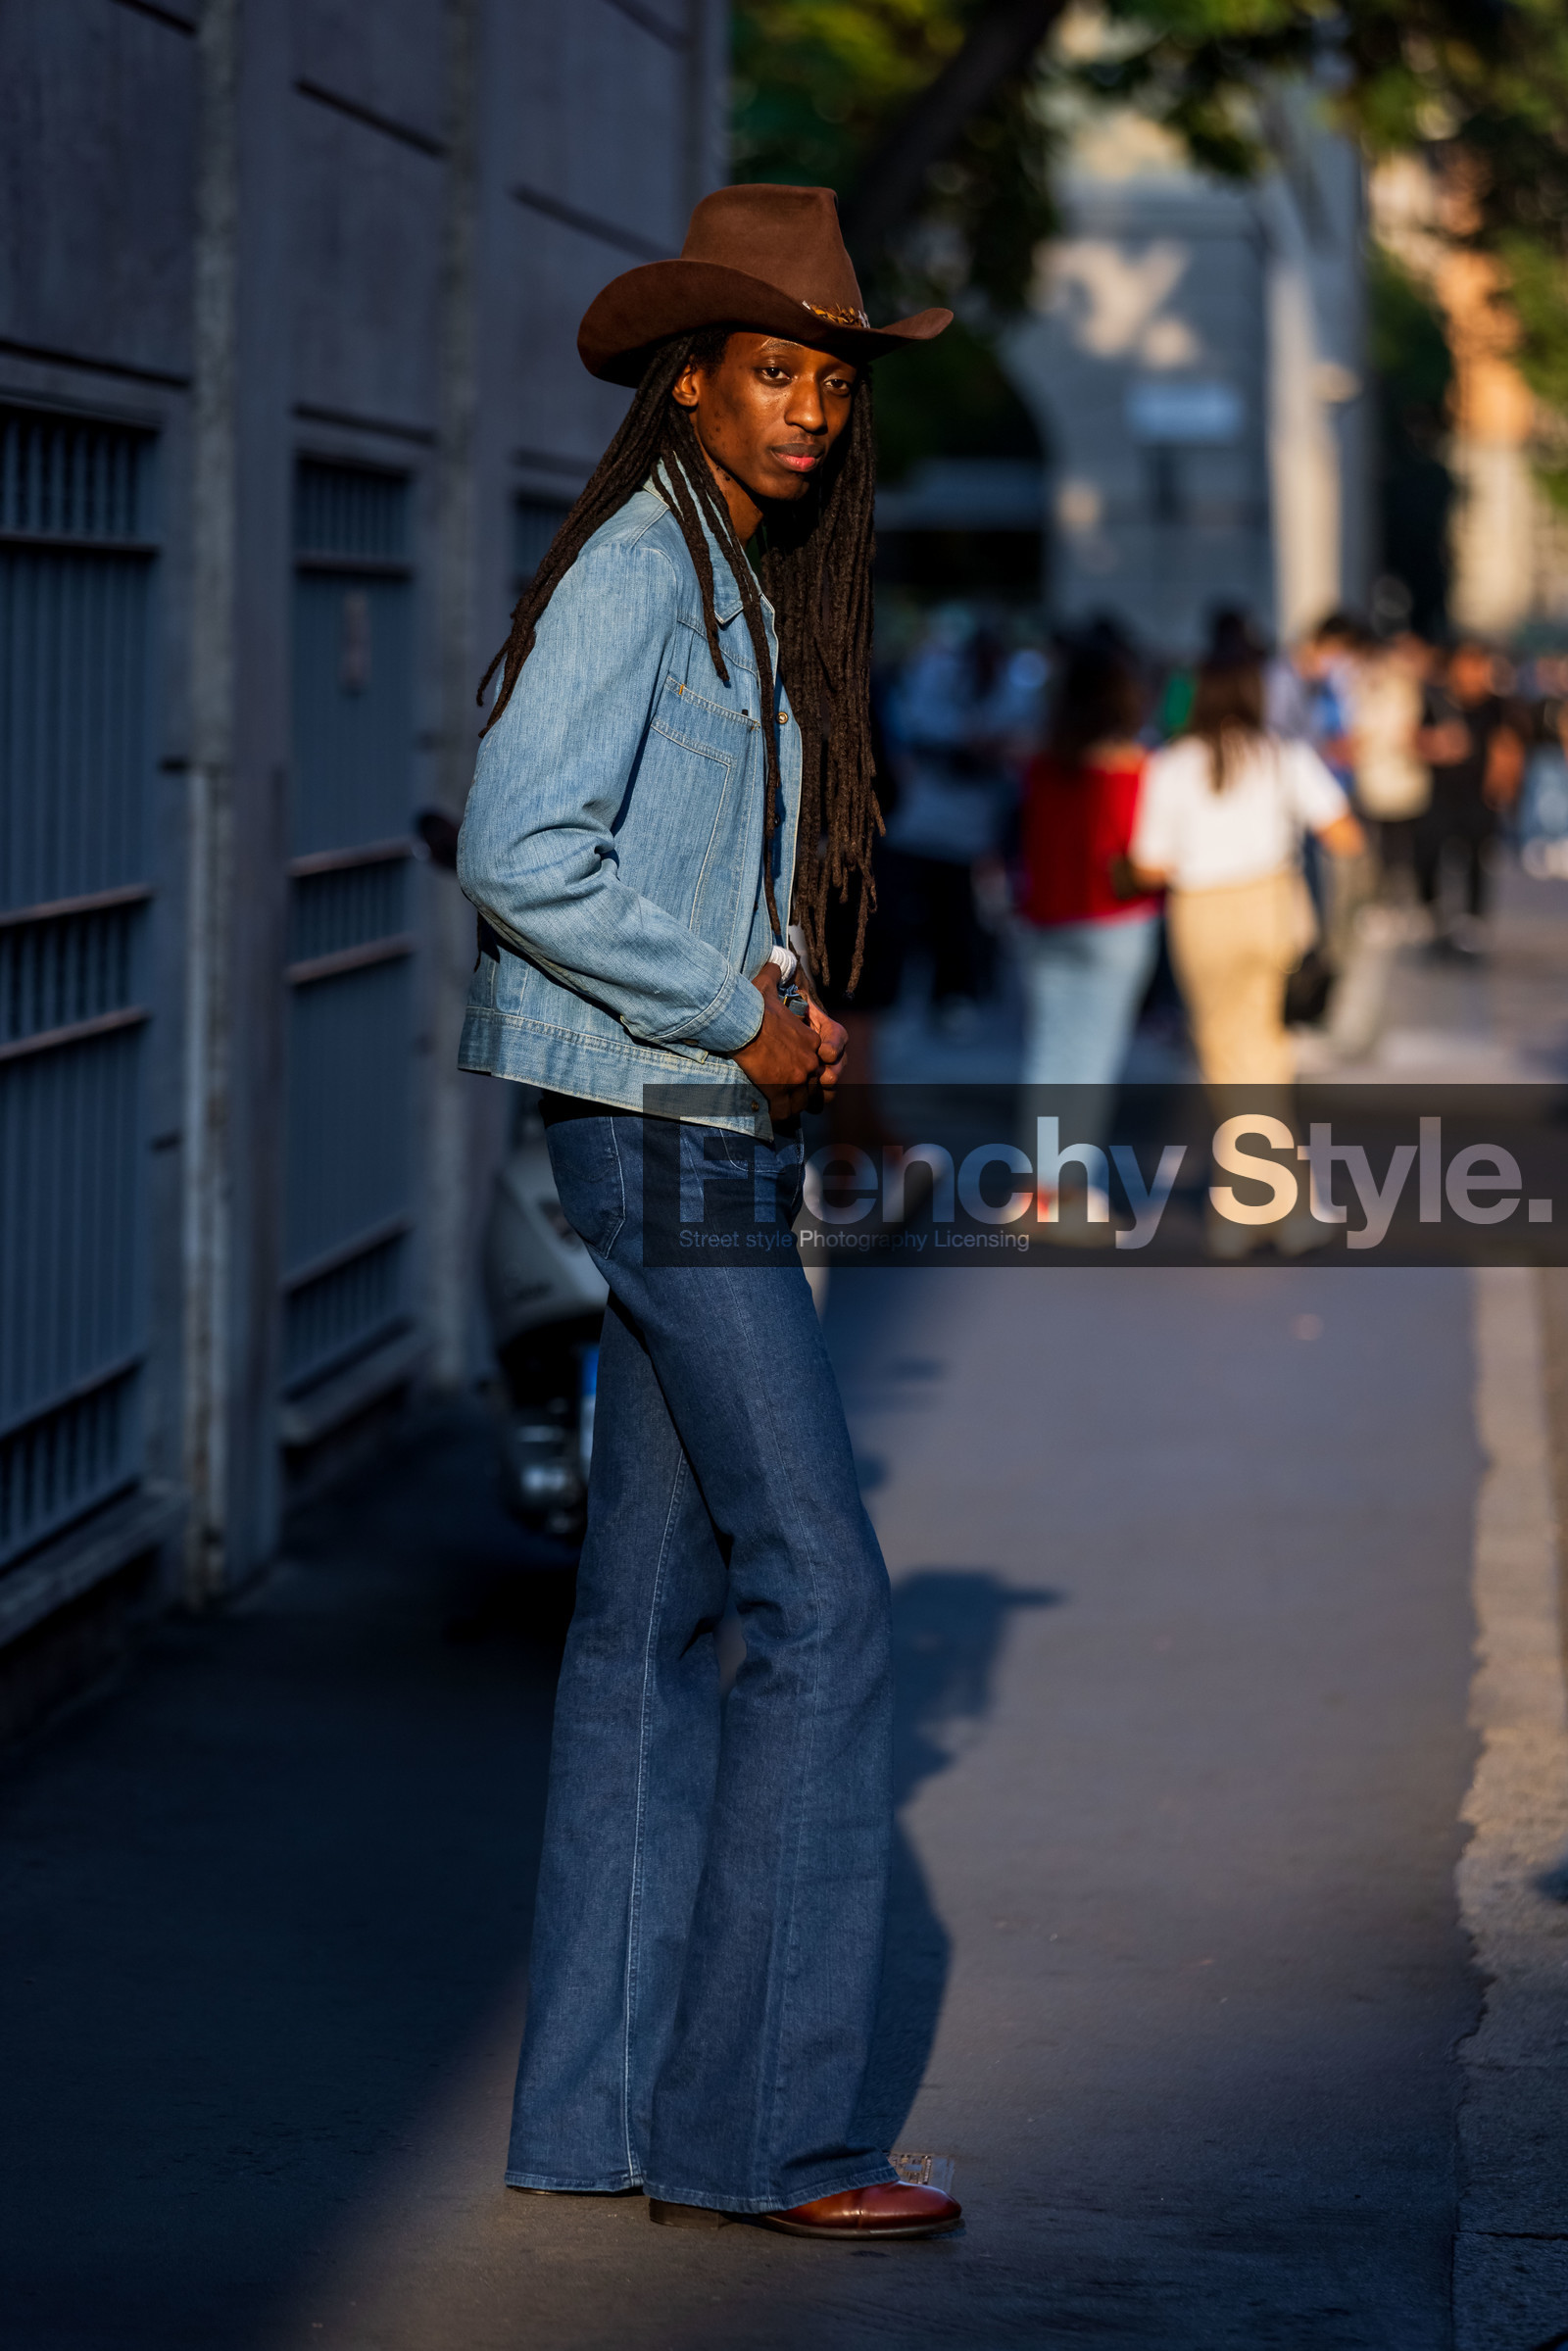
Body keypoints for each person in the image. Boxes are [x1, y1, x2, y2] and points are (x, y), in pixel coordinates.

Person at [455, 184, 961, 2241]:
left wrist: (787, 1001)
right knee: (824, 1607)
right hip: (655, 1125)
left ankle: (593, 2111)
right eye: (773, 369)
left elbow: (666, 860)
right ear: (689, 377)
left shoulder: (734, 579)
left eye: (830, 380)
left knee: (642, 1626)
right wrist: (731, 1004)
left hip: (695, 1125)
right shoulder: (635, 573)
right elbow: (516, 844)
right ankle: (772, 2131)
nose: (807, 410)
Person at [1128, 643, 1364, 1086]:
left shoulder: (1171, 765)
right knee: (1266, 1038)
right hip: (1273, 904)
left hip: (1202, 910)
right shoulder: (1285, 755)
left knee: (1221, 1042)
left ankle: (1257, 1153)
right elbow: (1345, 834)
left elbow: (1149, 867)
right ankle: (1268, 1153)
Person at [1016, 630, 1161, 1218]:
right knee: (1092, 1061)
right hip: (1115, 923)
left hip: (1047, 918)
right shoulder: (1139, 767)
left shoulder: (1040, 762)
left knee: (1049, 1052)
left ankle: (1038, 1186)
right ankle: (1069, 1191)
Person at [1414, 636, 1526, 946]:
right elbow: (1416, 739)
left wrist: (1505, 784)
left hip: (1479, 795)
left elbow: (1510, 748)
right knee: (1429, 851)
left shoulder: (1498, 706)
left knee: (1477, 856)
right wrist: (1439, 745)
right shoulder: (1437, 701)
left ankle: (1473, 921)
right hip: (1442, 793)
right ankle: (1433, 914)